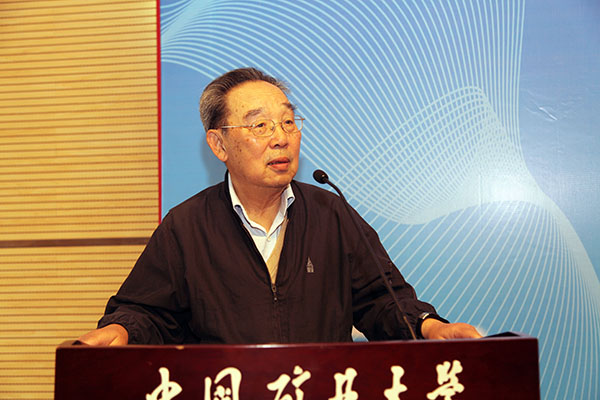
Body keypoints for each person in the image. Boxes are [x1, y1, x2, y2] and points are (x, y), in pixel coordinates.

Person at [78, 67, 481, 345]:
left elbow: (382, 300)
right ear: (219, 144)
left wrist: (428, 326)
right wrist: (122, 330)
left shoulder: (331, 214)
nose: (281, 137)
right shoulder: (186, 226)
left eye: (288, 122)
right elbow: (147, 311)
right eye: (260, 125)